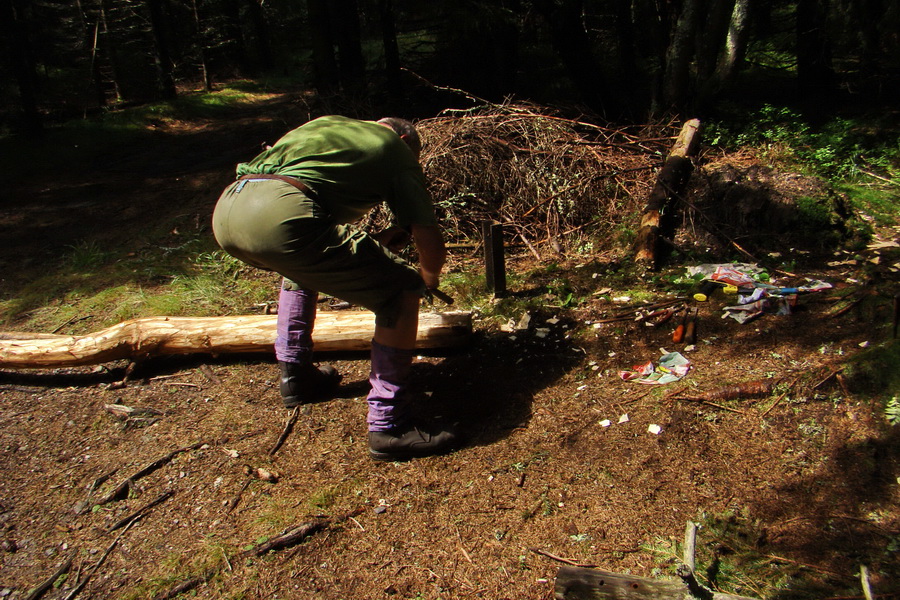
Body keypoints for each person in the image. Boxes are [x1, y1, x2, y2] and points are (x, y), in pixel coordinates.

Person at [211, 115, 458, 461]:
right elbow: (427, 236)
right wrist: (427, 280)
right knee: (402, 289)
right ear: (405, 140)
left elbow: (306, 203)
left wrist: (380, 245)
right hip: (281, 215)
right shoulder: (396, 149)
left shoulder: (329, 126)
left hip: (230, 211)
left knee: (301, 269)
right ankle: (390, 425)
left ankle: (297, 376)